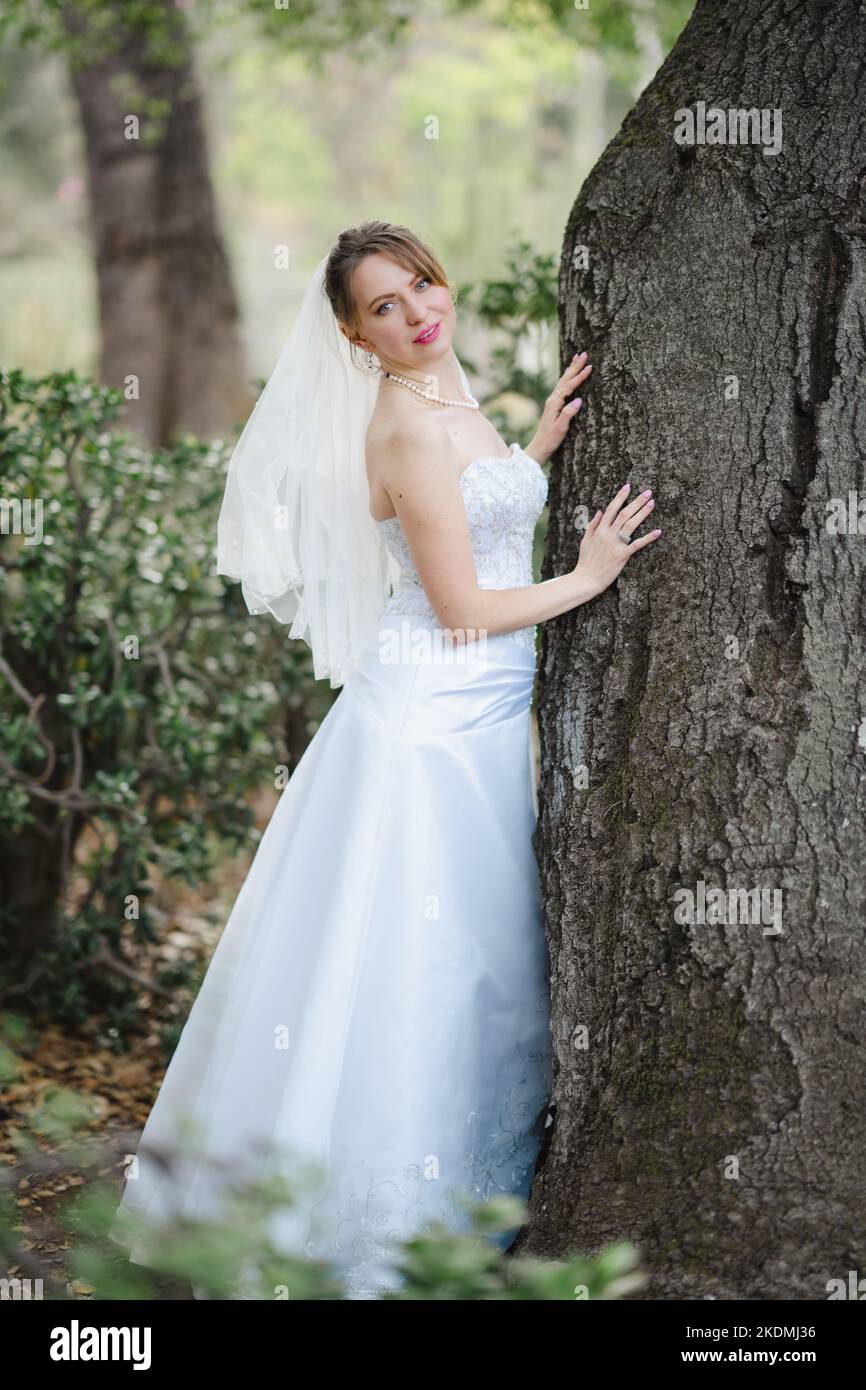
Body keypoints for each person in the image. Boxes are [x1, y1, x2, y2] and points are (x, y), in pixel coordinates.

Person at [108, 220, 661, 1299]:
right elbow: (461, 607)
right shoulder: (400, 425)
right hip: (433, 724)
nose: (416, 313)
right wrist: (590, 576)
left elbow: (464, 513)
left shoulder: (445, 395)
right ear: (355, 337)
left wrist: (528, 457)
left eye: (418, 285)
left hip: (474, 716)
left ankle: (448, 1189)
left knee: (463, 954)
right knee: (434, 959)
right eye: (384, 308)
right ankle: (387, 1215)